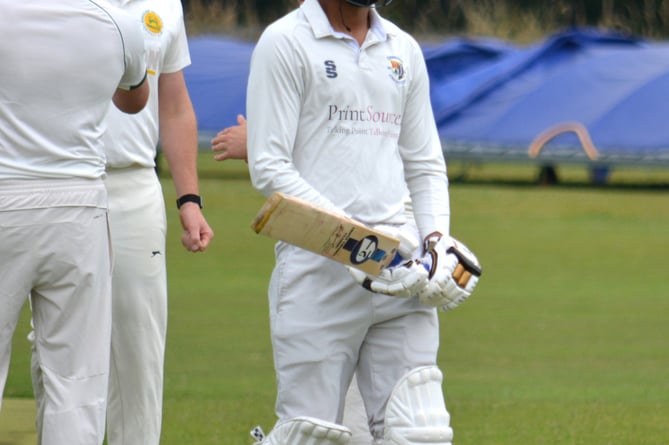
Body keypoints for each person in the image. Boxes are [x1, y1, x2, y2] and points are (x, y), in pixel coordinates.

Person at [245, 1, 481, 444]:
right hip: (318, 273)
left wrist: (436, 246)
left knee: (421, 432)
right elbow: (269, 165)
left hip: (402, 272)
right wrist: (358, 244)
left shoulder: (403, 49)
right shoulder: (285, 42)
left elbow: (425, 163)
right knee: (310, 434)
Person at [27, 1, 214, 445]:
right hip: (56, 182)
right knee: (58, 349)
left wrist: (189, 199)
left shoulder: (165, 6)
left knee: (139, 351)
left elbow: (174, 106)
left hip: (133, 185)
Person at [0, 1, 149, 443]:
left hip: (7, 196)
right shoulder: (121, 24)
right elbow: (135, 99)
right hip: (80, 210)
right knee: (77, 382)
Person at [213, 118, 374, 445]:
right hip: (320, 263)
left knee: (357, 424)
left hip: (371, 254)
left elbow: (349, 148)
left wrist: (261, 143)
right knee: (312, 422)